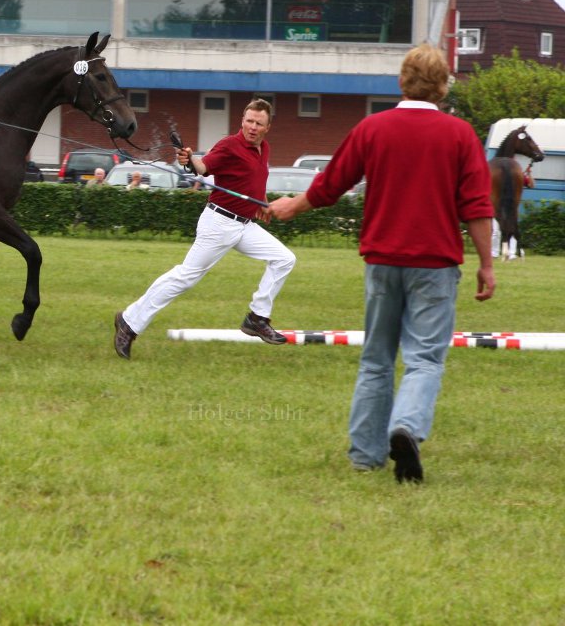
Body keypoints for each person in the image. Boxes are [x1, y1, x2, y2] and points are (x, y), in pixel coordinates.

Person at [271, 44, 495, 483]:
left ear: (400, 82)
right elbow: (476, 207)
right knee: (425, 359)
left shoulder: (372, 128)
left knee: (375, 360)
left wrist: (292, 206)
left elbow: (332, 183)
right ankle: (406, 427)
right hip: (435, 264)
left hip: (381, 260)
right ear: (445, 86)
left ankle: (364, 455)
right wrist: (487, 264)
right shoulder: (460, 135)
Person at [113, 98, 295, 359]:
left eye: (259, 123)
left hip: (244, 226)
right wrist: (190, 160)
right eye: (249, 121)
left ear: (268, 127)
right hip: (219, 224)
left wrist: (262, 204)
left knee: (284, 259)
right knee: (184, 277)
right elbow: (203, 167)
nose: (252, 127)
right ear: (242, 121)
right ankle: (129, 323)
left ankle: (257, 318)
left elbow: (251, 181)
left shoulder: (263, 148)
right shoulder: (230, 145)